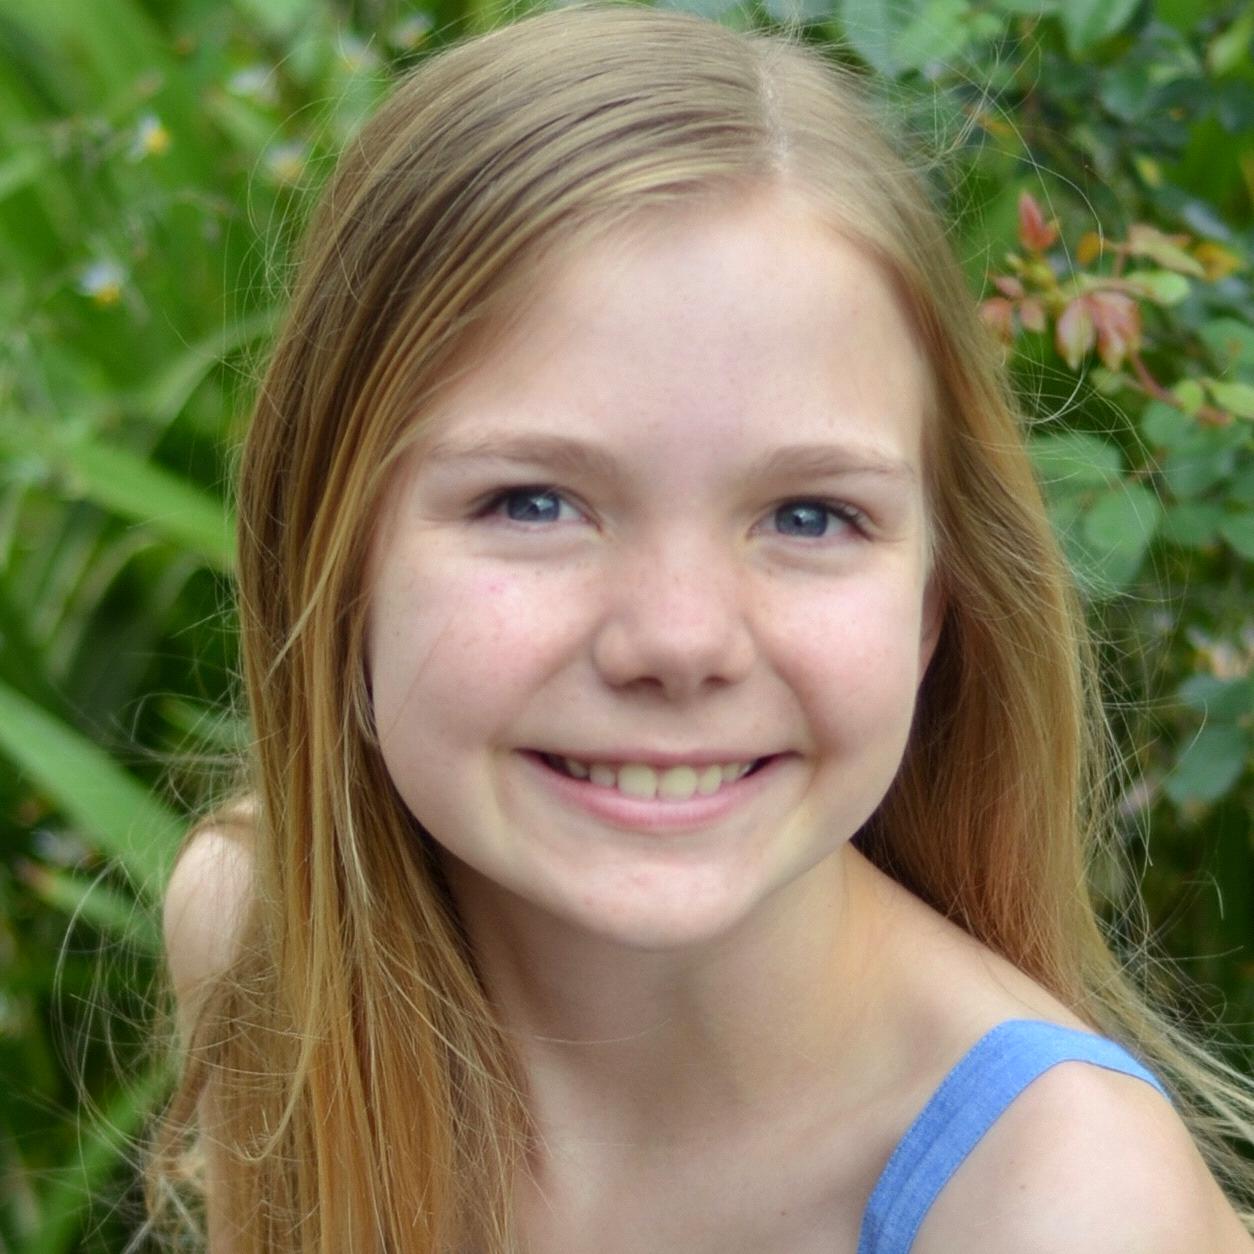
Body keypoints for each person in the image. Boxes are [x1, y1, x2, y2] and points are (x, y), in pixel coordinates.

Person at [152, 5, 1254, 1251]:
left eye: (810, 516)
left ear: (935, 599)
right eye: (534, 502)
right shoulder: (263, 941)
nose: (680, 642)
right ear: (329, 556)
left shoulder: (1057, 1207)